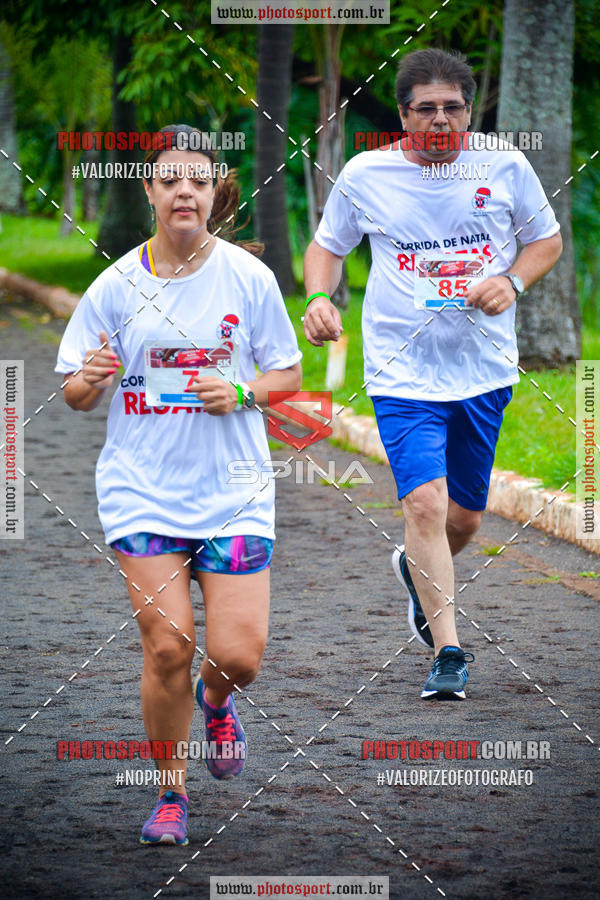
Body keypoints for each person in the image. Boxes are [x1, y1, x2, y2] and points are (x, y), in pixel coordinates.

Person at [56, 124, 302, 844]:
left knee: (237, 657)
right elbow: (73, 389)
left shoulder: (248, 280)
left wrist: (244, 393)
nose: (184, 190)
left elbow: (286, 374)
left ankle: (217, 699)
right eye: (170, 179)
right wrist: (89, 381)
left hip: (235, 489)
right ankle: (171, 792)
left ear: (212, 189)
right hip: (142, 489)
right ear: (151, 192)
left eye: (197, 178)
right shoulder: (115, 285)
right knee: (166, 645)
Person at [303, 48, 562, 701]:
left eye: (453, 108)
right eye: (427, 110)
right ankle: (448, 650)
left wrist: (511, 279)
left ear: (469, 112)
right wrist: (318, 297)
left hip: (482, 368)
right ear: (402, 114)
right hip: (401, 368)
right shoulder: (367, 173)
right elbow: (326, 249)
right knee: (425, 502)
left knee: (466, 520)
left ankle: (415, 569)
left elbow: (547, 241)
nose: (440, 121)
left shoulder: (505, 166)